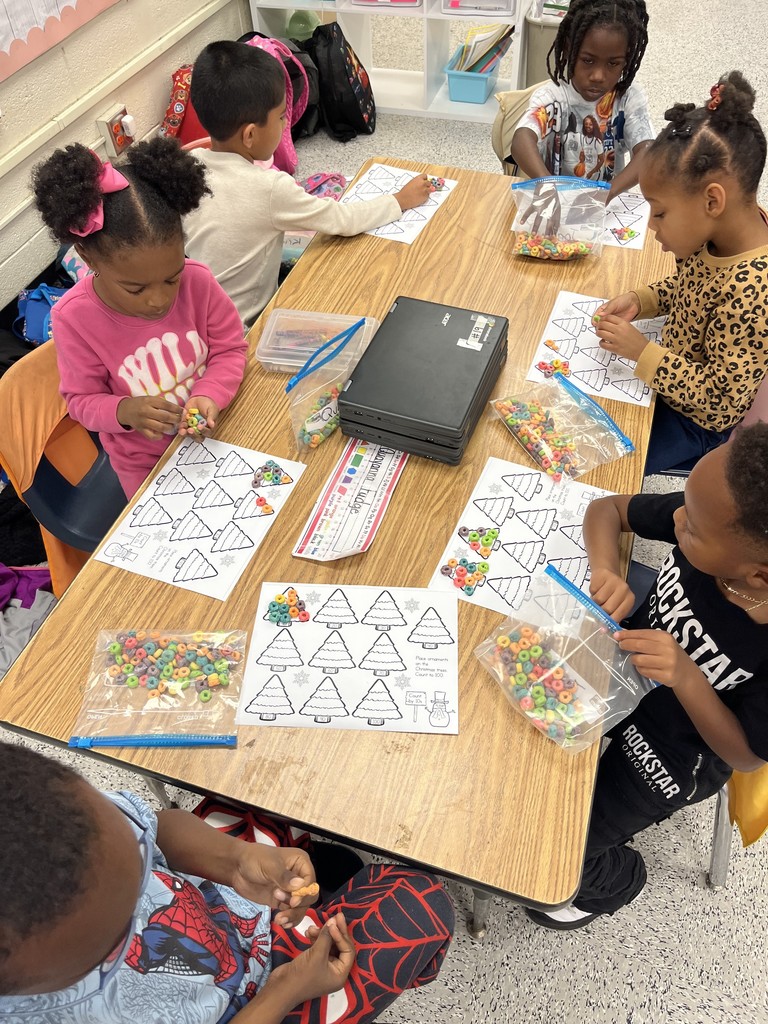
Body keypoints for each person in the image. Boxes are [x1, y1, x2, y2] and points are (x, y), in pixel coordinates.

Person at [0, 740, 454, 1021]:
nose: (151, 895)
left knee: (264, 785)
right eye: (119, 938)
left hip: (237, 925)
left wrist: (237, 860)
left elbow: (158, 825)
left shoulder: (48, 817)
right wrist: (287, 989)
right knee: (423, 904)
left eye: (141, 859)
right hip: (259, 1007)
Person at [527, 423, 768, 930]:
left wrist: (686, 674)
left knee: (560, 854)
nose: (677, 517)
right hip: (623, 665)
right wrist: (606, 570)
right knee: (522, 751)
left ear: (759, 576)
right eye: (683, 506)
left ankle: (619, 879)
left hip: (682, 745)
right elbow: (608, 511)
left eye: (692, 529)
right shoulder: (705, 514)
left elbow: (743, 756)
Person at [32, 138, 247, 500]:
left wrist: (209, 392)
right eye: (135, 289)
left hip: (221, 431)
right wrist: (125, 410)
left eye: (171, 277)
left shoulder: (198, 281)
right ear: (88, 257)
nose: (159, 300)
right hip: (146, 465)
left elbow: (230, 350)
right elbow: (81, 402)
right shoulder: (74, 319)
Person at [183, 41, 433, 327]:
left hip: (197, 321)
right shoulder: (270, 188)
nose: (285, 124)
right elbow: (343, 220)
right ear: (250, 135)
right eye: (280, 117)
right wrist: (400, 200)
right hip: (245, 328)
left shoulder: (186, 166)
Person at [593, 71, 768, 475]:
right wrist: (645, 299)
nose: (652, 226)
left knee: (604, 467)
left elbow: (720, 402)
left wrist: (641, 352)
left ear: (712, 200)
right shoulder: (713, 235)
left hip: (694, 421)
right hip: (668, 371)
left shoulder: (754, 295)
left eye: (660, 212)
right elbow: (692, 287)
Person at [509, 0, 653, 202]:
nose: (598, 76)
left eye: (613, 63)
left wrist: (606, 194)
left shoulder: (628, 98)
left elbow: (647, 154)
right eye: (588, 60)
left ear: (627, 59)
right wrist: (551, 188)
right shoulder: (553, 97)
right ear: (569, 49)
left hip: (607, 205)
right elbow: (521, 141)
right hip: (556, 202)